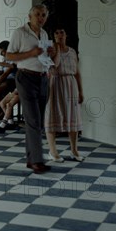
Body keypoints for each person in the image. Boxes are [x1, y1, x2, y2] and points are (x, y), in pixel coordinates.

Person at [5, 4, 56, 174]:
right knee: (33, 120)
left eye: (43, 15)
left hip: (42, 78)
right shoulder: (19, 33)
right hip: (25, 77)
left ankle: (30, 159)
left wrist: (51, 53)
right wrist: (30, 53)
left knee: (38, 121)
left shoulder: (44, 33)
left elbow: (44, 57)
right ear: (29, 17)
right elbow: (9, 56)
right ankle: (37, 161)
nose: (40, 18)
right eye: (37, 15)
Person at [44, 27, 85, 163]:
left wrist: (81, 91)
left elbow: (77, 72)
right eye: (56, 33)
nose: (59, 35)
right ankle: (53, 151)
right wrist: (57, 50)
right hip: (55, 84)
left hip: (71, 84)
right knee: (52, 115)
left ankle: (74, 150)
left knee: (72, 117)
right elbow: (54, 66)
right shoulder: (51, 51)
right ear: (53, 36)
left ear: (66, 34)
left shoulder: (72, 51)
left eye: (62, 32)